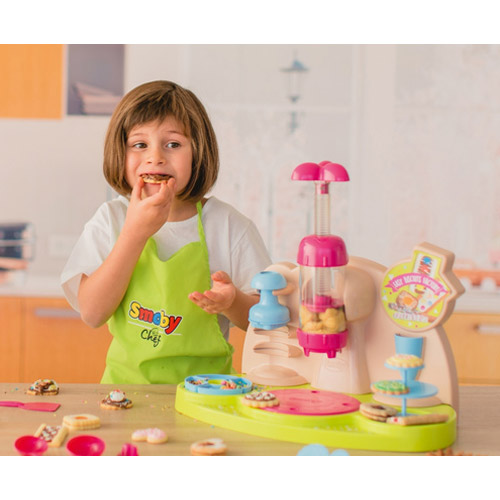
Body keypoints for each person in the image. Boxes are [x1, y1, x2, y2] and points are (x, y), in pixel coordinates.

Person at [61, 80, 271, 384]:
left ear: (198, 153)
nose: (155, 157)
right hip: (124, 396)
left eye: (173, 144)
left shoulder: (228, 226)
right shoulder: (110, 220)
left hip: (209, 394)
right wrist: (134, 233)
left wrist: (233, 302)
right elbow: (92, 314)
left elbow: (266, 323)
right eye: (139, 144)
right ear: (120, 153)